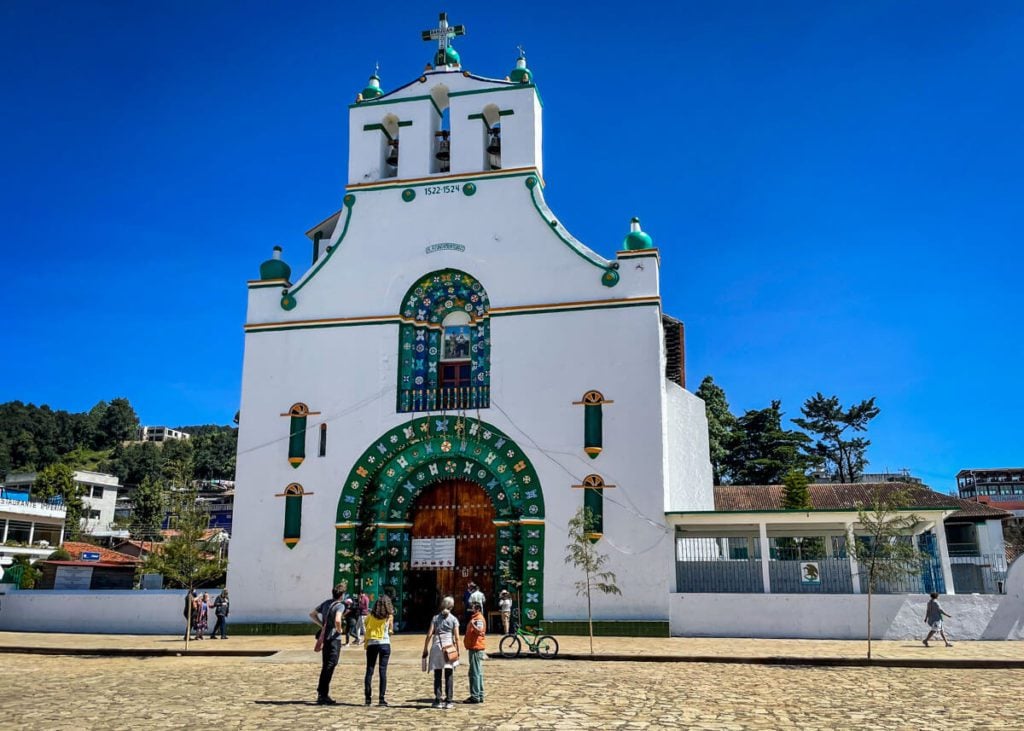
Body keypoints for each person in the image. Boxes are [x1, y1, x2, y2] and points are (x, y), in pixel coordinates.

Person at [310, 583, 347, 705]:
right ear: (342, 595)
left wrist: (321, 624)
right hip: (334, 639)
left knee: (326, 664)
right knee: (331, 664)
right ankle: (323, 693)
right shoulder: (340, 606)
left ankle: (322, 692)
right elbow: (337, 619)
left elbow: (312, 614)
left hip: (325, 638)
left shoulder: (326, 603)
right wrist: (339, 629)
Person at [423, 595, 461, 709]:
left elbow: (429, 634)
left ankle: (438, 700)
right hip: (448, 648)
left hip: (436, 647)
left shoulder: (435, 618)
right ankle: (449, 700)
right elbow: (457, 637)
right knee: (449, 674)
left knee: (437, 674)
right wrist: (458, 651)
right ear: (452, 606)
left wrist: (425, 648)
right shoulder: (454, 619)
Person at [364, 596, 395, 706]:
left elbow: (366, 624)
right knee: (383, 671)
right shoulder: (389, 616)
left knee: (369, 670)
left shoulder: (370, 616)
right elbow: (391, 630)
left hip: (372, 644)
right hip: (385, 644)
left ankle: (368, 698)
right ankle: (381, 699)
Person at [463, 602, 486, 704]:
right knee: (477, 672)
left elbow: (480, 631)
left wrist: (472, 624)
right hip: (474, 647)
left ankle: (475, 696)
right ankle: (479, 694)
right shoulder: (476, 618)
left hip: (476, 648)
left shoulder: (478, 619)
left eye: (472, 608)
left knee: (475, 672)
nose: (470, 609)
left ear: (477, 609)